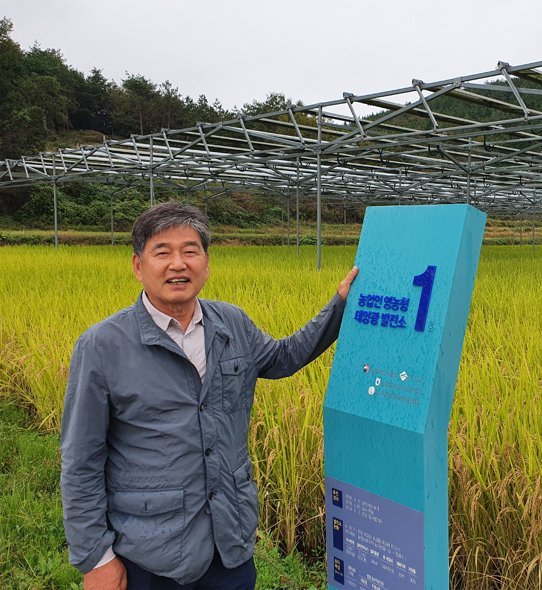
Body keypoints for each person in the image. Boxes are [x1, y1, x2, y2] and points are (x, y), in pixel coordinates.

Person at [60, 202, 358, 590]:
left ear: (207, 261)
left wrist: (339, 308)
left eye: (190, 250)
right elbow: (81, 460)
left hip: (228, 544)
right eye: (162, 252)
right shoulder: (102, 346)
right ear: (137, 265)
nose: (178, 264)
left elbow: (282, 358)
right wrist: (95, 559)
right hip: (150, 556)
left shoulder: (231, 322)